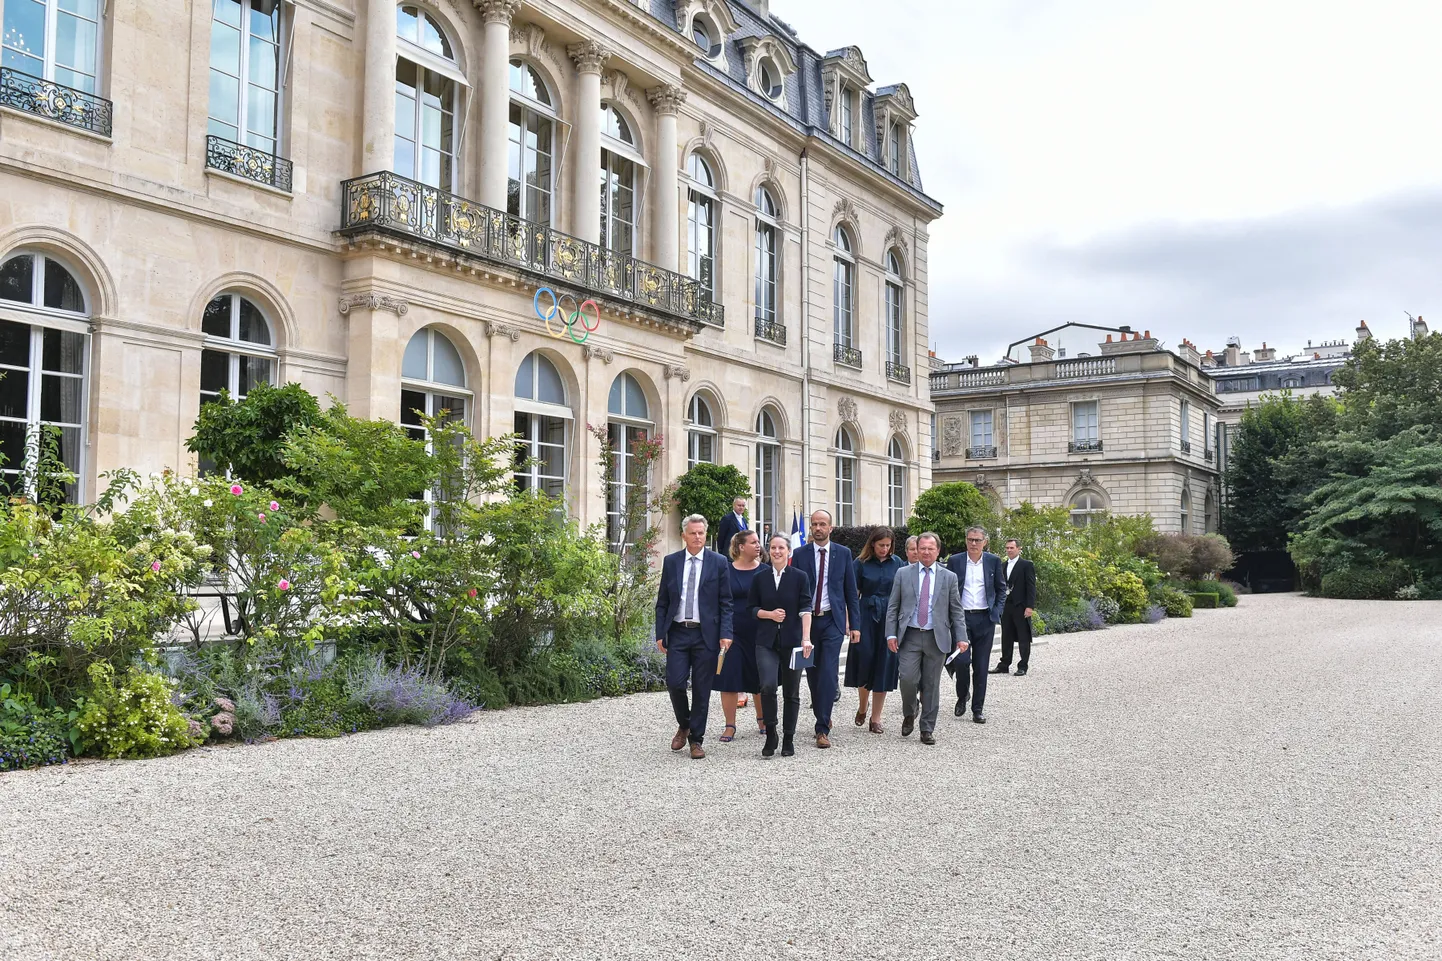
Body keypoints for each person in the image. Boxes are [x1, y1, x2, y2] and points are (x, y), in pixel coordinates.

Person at [655, 514, 734, 759]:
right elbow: (662, 602)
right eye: (693, 533)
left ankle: (696, 740)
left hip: (706, 635)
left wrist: (726, 633)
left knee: (702, 689)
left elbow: (726, 602)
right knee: (675, 683)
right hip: (678, 632)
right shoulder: (672, 562)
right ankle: (685, 723)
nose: (698, 537)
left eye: (701, 533)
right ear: (684, 535)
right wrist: (660, 633)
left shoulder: (718, 562)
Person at [885, 532, 967, 745]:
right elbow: (893, 606)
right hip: (909, 635)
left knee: (931, 684)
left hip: (936, 637)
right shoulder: (903, 574)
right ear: (916, 550)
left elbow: (956, 610)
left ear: (938, 551)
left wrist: (962, 637)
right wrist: (891, 633)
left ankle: (927, 728)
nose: (927, 552)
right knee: (908, 680)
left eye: (931, 548)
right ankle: (910, 712)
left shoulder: (949, 577)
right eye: (923, 548)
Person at [790, 510, 860, 748]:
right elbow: (793, 589)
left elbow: (851, 591)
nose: (818, 528)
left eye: (822, 524)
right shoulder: (799, 554)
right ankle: (822, 714)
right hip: (807, 622)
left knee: (829, 673)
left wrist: (855, 625)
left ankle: (822, 726)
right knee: (812, 673)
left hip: (832, 621)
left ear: (831, 528)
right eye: (814, 524)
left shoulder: (843, 554)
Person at [748, 534, 815, 757]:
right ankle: (771, 733)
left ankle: (788, 737)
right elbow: (752, 609)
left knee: (791, 691)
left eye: (781, 548)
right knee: (767, 686)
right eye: (773, 547)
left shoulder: (800, 577)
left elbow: (806, 608)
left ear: (789, 551)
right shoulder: (760, 577)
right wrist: (769, 614)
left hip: (792, 641)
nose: (777, 551)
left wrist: (806, 638)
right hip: (765, 641)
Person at [945, 526, 1007, 724]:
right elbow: (947, 589)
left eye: (977, 540)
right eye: (970, 539)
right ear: (966, 540)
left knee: (981, 666)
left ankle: (977, 709)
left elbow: (1001, 589)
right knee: (961, 662)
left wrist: (996, 612)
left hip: (984, 619)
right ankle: (963, 695)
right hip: (961, 619)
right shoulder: (955, 561)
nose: (973, 543)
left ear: (984, 542)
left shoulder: (993, 562)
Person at [847, 528, 906, 733]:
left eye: (888, 545)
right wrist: (851, 622)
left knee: (885, 664)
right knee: (864, 661)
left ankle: (876, 718)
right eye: (881, 545)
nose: (885, 549)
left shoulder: (898, 563)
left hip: (889, 617)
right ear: (872, 544)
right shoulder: (860, 563)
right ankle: (863, 705)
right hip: (865, 615)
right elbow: (852, 594)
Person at [716, 530, 765, 740]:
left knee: (761, 677)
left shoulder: (765, 571)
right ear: (741, 547)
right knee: (729, 677)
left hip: (759, 631)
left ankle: (763, 720)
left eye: (758, 542)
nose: (758, 545)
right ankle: (730, 725)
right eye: (753, 542)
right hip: (732, 631)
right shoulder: (726, 570)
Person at [991, 538, 1037, 677]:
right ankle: (1004, 664)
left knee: (1023, 637)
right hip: (1006, 606)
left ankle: (1023, 665)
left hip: (1021, 605)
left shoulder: (1026, 565)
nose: (1009, 550)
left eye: (1012, 548)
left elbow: (1031, 587)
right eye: (1007, 548)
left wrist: (1030, 606)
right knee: (1007, 636)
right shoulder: (1003, 565)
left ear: (1019, 549)